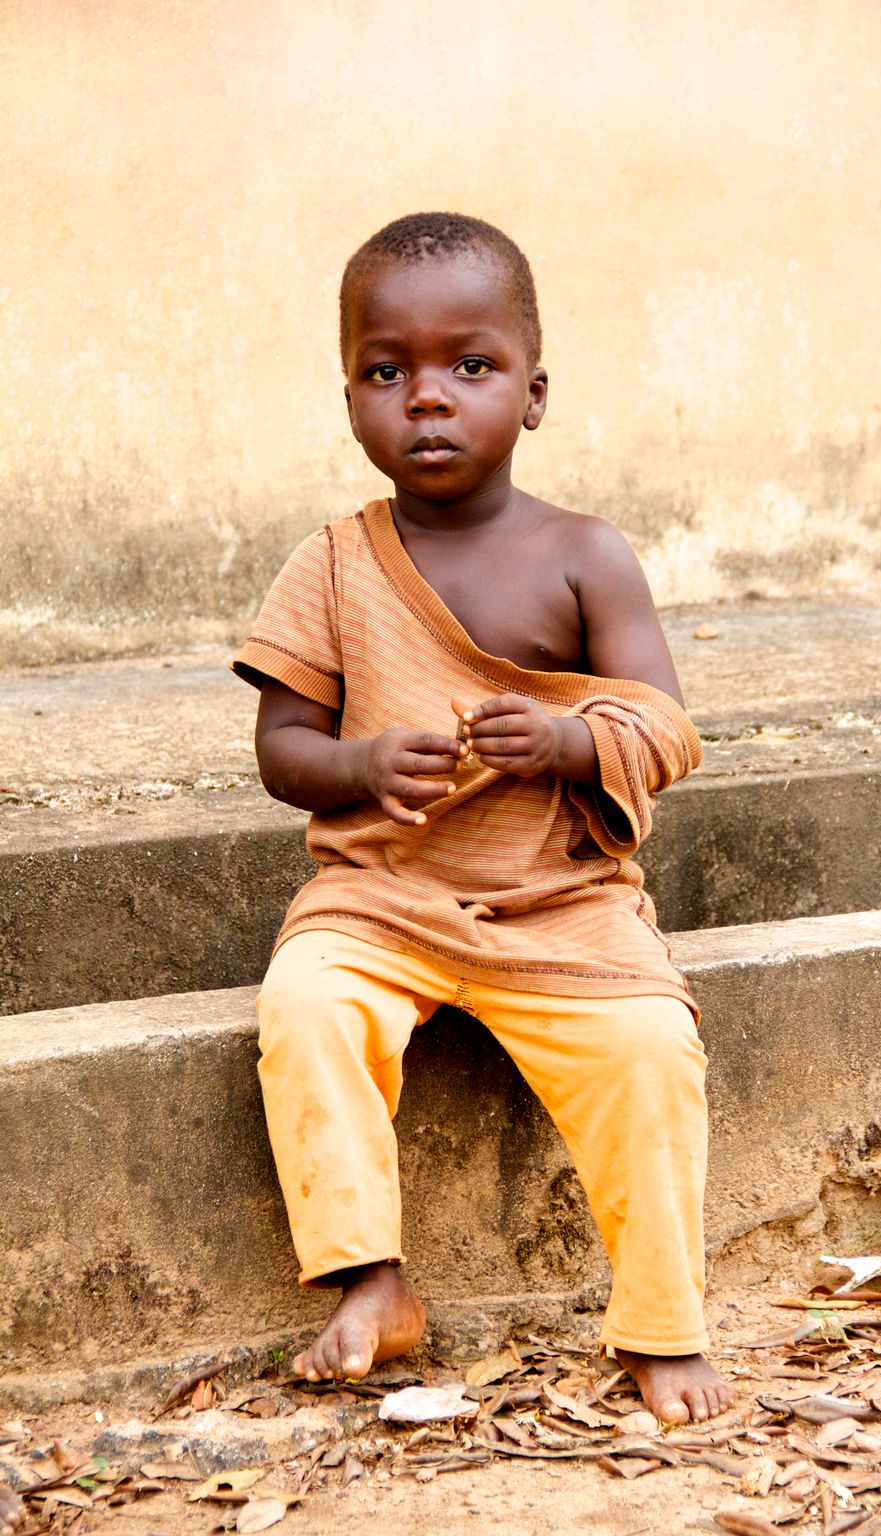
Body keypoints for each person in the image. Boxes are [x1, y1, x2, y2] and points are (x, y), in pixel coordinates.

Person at [232, 212, 734, 1425]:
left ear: (534, 392)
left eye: (470, 367)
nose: (426, 402)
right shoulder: (334, 566)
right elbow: (279, 751)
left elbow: (666, 732)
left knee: (651, 1056)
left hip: (559, 901)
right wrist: (353, 767)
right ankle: (371, 1282)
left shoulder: (583, 555)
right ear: (349, 394)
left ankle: (661, 1327)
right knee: (306, 1006)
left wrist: (571, 742)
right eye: (385, 371)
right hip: (382, 897)